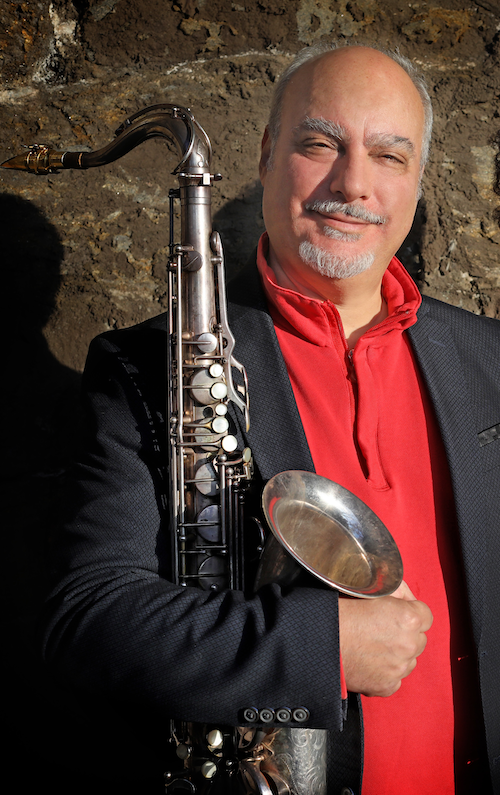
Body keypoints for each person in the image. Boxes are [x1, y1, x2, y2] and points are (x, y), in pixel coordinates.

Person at [41, 43, 500, 794]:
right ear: (265, 155)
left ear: (418, 181)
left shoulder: (491, 361)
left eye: (389, 156)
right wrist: (324, 649)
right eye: (320, 144)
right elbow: (88, 620)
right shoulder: (147, 370)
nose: (353, 184)